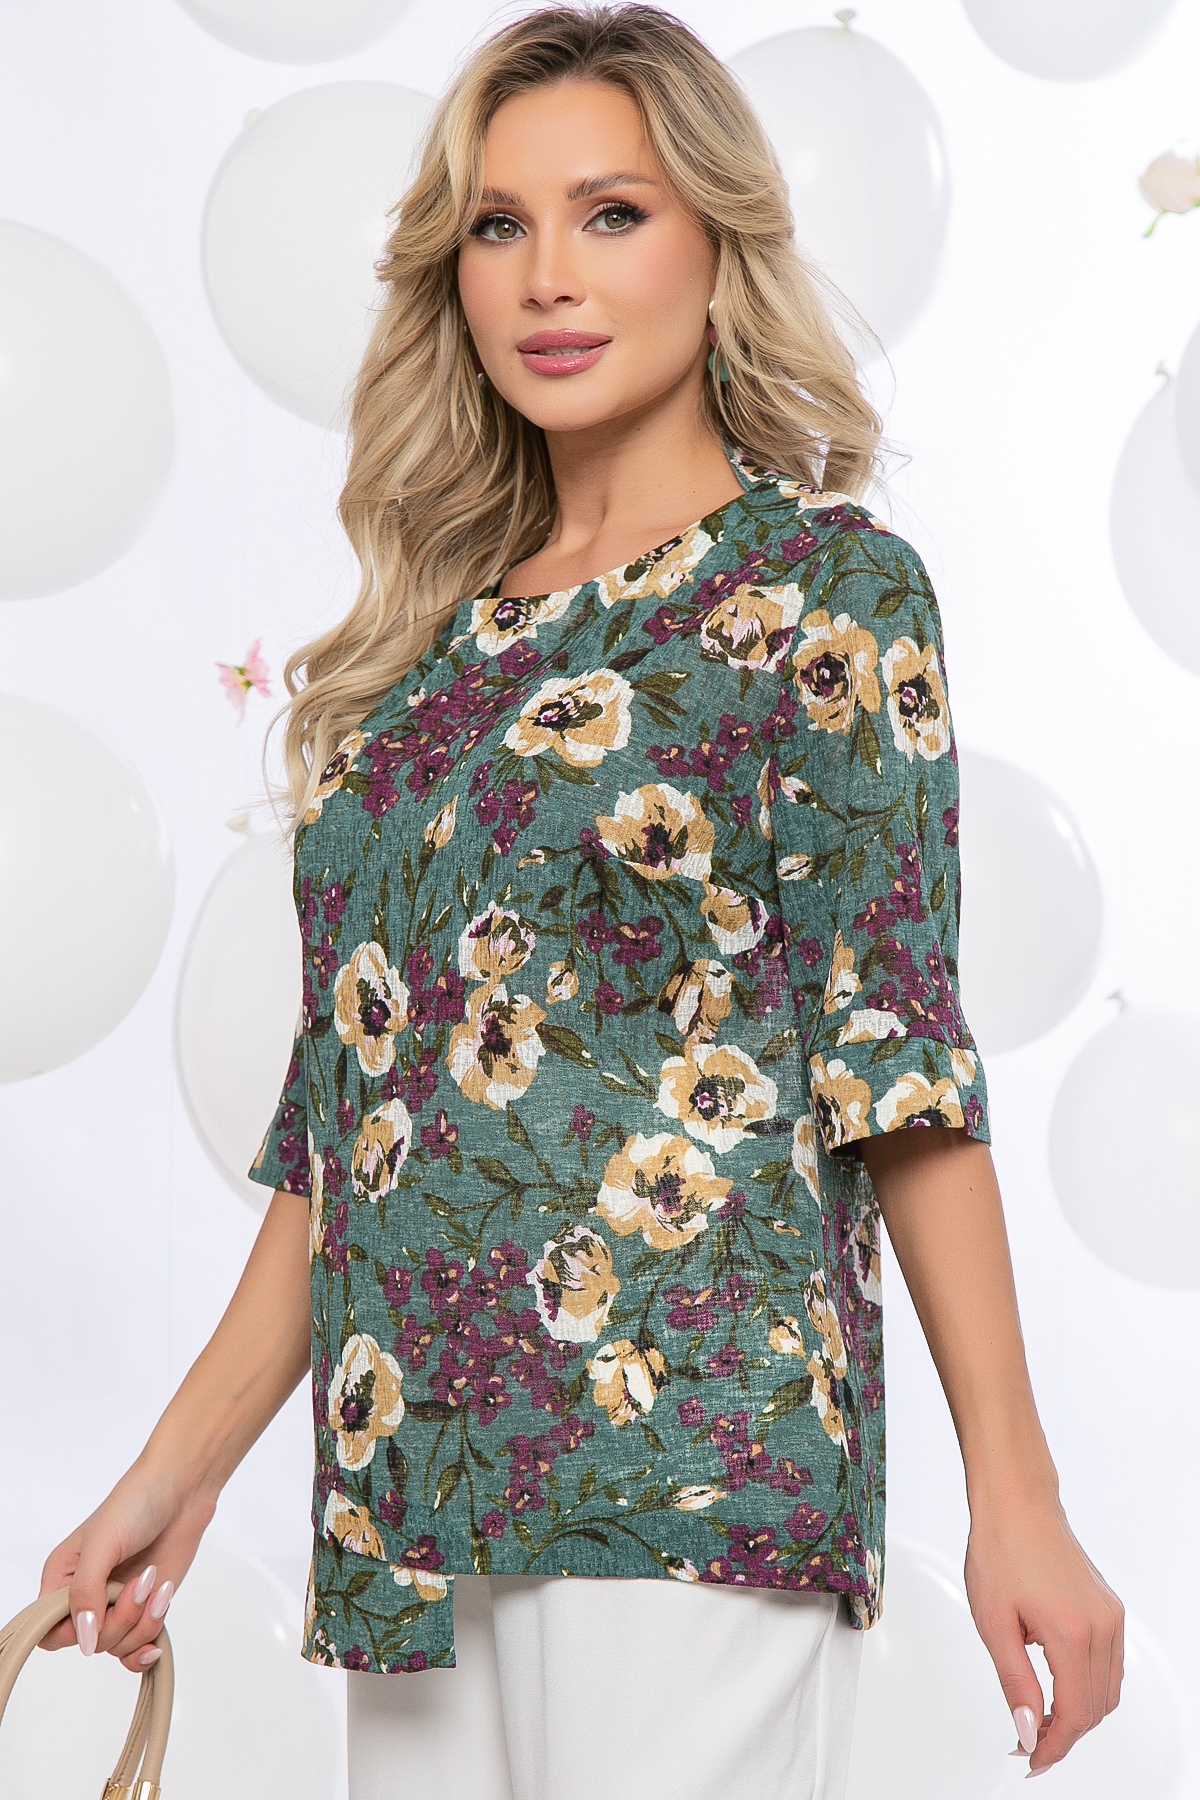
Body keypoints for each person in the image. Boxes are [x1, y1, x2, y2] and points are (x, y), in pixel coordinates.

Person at [37, 8, 1122, 1797]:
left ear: (716, 245)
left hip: (693, 1460)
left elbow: (900, 1064)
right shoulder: (420, 671)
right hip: (410, 1493)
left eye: (611, 213)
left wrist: (1021, 1495)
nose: (548, 274)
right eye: (499, 224)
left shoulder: (820, 596)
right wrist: (178, 1470)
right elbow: (353, 1122)